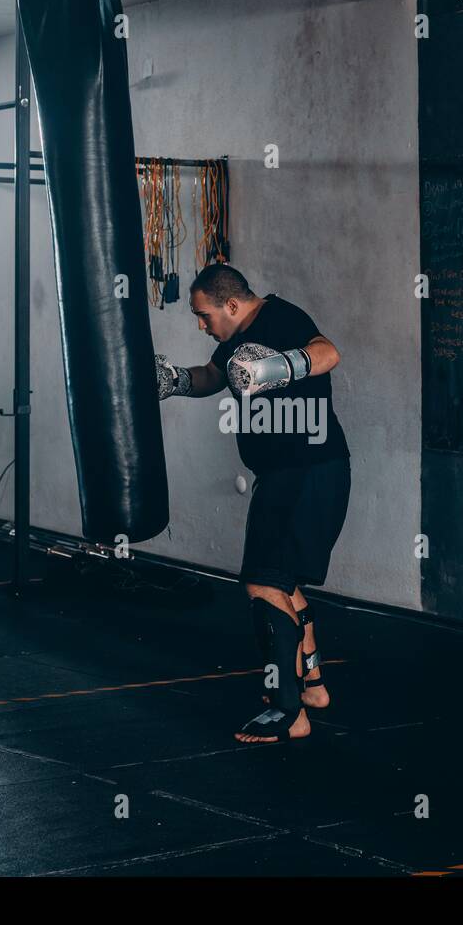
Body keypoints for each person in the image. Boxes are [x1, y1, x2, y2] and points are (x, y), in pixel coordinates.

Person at [156, 264, 351, 744]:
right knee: (284, 584)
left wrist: (277, 368)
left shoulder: (281, 317)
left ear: (231, 304)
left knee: (262, 584)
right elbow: (212, 376)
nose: (201, 325)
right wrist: (174, 380)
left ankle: (289, 713)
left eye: (204, 316)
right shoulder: (239, 337)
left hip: (307, 472)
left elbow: (328, 353)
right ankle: (313, 689)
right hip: (287, 474)